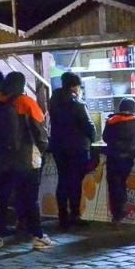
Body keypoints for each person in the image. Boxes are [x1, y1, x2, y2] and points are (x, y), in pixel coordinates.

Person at [0, 72, 51, 249]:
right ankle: (37, 236)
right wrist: (40, 151)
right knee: (29, 199)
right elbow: (40, 132)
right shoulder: (26, 103)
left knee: (1, 199)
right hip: (26, 159)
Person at [48, 72, 96, 229]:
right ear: (74, 86)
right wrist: (93, 138)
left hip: (58, 147)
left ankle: (63, 217)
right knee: (75, 182)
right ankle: (75, 215)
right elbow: (89, 126)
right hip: (77, 148)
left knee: (63, 181)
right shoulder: (77, 104)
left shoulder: (53, 101)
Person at [101, 97, 135, 223]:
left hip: (113, 157)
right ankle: (123, 209)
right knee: (122, 183)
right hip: (129, 158)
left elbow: (105, 138)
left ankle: (117, 213)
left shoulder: (111, 122)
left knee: (114, 185)